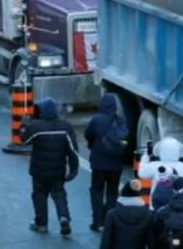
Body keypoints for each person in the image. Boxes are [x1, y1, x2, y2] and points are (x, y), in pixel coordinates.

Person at [21, 97, 79, 235]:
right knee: (59, 194)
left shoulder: (36, 127)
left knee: (39, 195)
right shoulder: (65, 127)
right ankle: (64, 217)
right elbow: (73, 150)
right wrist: (73, 169)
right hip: (57, 171)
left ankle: (41, 224)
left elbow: (24, 140)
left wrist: (24, 125)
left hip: (39, 171)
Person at [85, 93, 127, 232]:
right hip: (116, 163)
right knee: (112, 193)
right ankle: (110, 222)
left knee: (96, 190)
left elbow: (88, 135)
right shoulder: (120, 121)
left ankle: (98, 221)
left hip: (99, 162)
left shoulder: (97, 120)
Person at [139, 137, 183, 212]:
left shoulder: (154, 166)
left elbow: (141, 173)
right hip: (179, 209)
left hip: (157, 208)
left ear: (161, 151)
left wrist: (145, 157)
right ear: (178, 152)